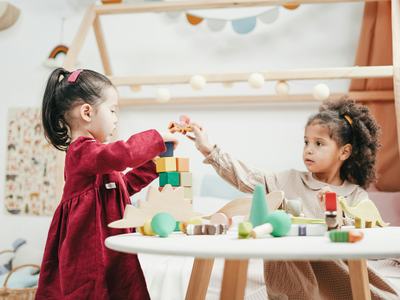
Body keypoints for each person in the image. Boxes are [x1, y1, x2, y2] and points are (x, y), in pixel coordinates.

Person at [186, 98, 398, 299]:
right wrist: (208, 148)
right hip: (296, 278)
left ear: (344, 152)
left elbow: (370, 239)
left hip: (337, 274)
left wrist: (336, 214)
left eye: (319, 144)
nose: (308, 150)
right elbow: (245, 176)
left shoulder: (355, 195)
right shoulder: (287, 181)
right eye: (306, 142)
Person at [36, 68, 172, 299]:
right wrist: (156, 138)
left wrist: (155, 165)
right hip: (88, 249)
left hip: (111, 245)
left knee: (122, 287)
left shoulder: (98, 159)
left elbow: (122, 187)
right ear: (87, 112)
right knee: (91, 290)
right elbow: (121, 156)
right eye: (112, 110)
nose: (116, 119)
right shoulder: (82, 151)